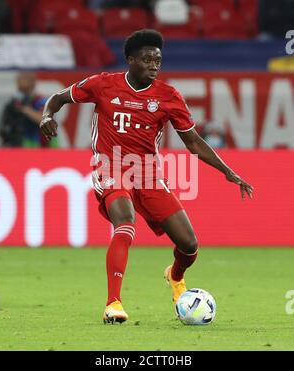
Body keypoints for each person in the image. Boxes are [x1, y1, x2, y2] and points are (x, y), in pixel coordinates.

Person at [40, 29, 253, 324]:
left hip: (148, 175)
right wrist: (47, 116)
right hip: (110, 167)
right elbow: (58, 98)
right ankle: (113, 302)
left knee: (189, 245)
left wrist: (228, 172)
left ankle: (174, 275)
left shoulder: (168, 96)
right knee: (125, 222)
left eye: (158, 59)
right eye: (147, 59)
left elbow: (193, 142)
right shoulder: (102, 84)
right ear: (130, 60)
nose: (154, 64)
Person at [0, 71, 57, 148]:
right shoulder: (13, 104)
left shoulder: (41, 101)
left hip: (43, 144)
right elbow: (5, 125)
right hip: (25, 144)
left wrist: (26, 110)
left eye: (26, 89)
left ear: (33, 85)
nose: (23, 93)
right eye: (21, 89)